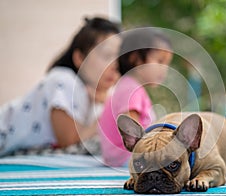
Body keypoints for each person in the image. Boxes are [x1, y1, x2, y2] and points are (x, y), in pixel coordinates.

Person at [0, 17, 121, 156]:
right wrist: (107, 112)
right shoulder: (63, 80)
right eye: (106, 56)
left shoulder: (95, 96)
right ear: (80, 58)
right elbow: (68, 141)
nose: (115, 65)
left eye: (120, 58)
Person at [99, 29, 173, 167]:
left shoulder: (127, 85)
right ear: (136, 59)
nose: (165, 69)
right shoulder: (131, 89)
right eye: (160, 61)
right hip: (127, 158)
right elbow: (131, 129)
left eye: (167, 63)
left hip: (117, 159)